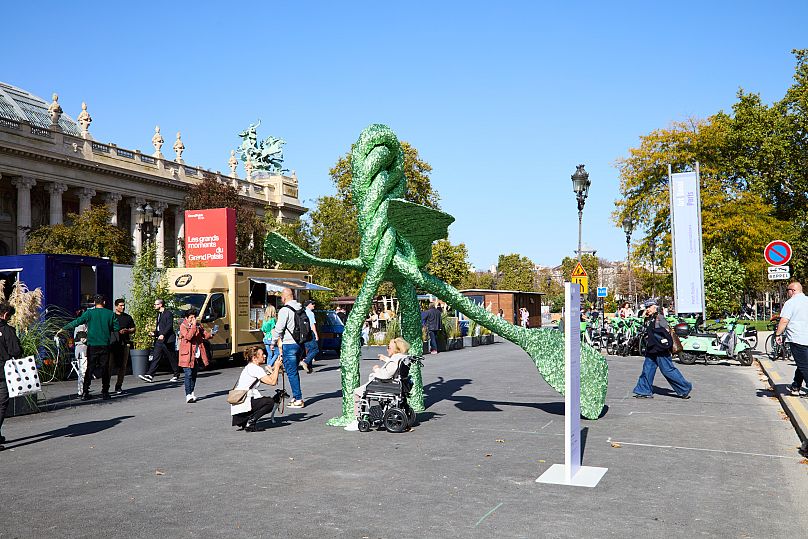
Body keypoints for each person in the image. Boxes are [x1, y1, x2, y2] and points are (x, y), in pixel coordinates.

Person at [345, 337, 410, 431]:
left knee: (357, 392)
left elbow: (386, 375)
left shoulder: (394, 360)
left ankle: (357, 419)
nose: (387, 349)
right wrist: (386, 359)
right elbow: (394, 366)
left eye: (389, 347)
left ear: (395, 349)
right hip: (395, 384)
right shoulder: (402, 357)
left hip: (385, 385)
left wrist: (376, 369)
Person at [62, 295, 119, 401]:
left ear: (94, 303)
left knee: (89, 368)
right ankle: (105, 392)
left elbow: (77, 322)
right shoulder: (110, 314)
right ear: (104, 302)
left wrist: (64, 328)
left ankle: (85, 391)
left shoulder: (89, 313)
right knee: (105, 369)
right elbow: (116, 327)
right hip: (105, 344)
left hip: (92, 345)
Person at [632, 299, 692, 399]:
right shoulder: (648, 318)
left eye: (649, 307)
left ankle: (684, 388)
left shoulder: (659, 318)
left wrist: (665, 344)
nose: (647, 309)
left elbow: (667, 331)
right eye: (646, 307)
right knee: (647, 370)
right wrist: (645, 318)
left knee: (668, 370)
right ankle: (644, 390)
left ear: (654, 307)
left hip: (661, 349)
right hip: (651, 349)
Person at [230, 346, 283, 432]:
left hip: (239, 404)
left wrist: (276, 368)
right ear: (255, 358)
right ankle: (251, 423)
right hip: (244, 402)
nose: (265, 356)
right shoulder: (256, 369)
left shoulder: (250, 367)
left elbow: (271, 380)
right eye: (262, 354)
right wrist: (276, 367)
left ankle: (246, 420)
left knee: (265, 400)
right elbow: (273, 382)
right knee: (270, 402)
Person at [270, 288, 305, 408]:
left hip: (289, 344)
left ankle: (298, 399)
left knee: (291, 373)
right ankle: (296, 396)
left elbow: (279, 328)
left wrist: (273, 341)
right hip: (300, 343)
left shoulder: (285, 310)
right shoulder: (300, 308)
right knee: (294, 372)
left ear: (284, 297)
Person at [776, 282, 808, 397]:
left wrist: (778, 334)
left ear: (793, 291)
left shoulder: (791, 303)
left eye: (788, 290)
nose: (787, 293)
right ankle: (796, 386)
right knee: (802, 363)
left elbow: (784, 320)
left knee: (804, 365)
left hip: (797, 338)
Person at [0, 303, 23, 450]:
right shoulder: (7, 331)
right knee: (1, 404)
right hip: (2, 372)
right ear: (6, 315)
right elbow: (15, 351)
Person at [140, 298, 179, 383]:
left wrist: (163, 334)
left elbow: (169, 326)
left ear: (161, 305)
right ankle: (150, 375)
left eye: (156, 304)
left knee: (171, 357)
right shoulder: (159, 314)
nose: (154, 306)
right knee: (156, 357)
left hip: (167, 339)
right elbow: (160, 327)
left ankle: (176, 373)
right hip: (160, 340)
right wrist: (155, 333)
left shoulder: (168, 314)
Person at [178, 307, 210, 403]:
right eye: (191, 317)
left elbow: (205, 335)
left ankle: (192, 392)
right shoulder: (183, 326)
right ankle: (188, 395)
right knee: (188, 374)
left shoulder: (197, 326)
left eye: (194, 317)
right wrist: (193, 326)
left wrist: (212, 333)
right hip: (186, 355)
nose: (193, 319)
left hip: (196, 354)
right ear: (187, 318)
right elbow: (188, 336)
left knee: (194, 375)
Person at [111, 298, 136, 395]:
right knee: (109, 366)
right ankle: (106, 387)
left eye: (124, 305)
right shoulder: (112, 316)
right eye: (121, 305)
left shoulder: (127, 317)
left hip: (125, 343)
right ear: (116, 306)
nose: (123, 307)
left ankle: (118, 386)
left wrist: (128, 331)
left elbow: (133, 328)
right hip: (113, 344)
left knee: (123, 366)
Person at [72, 310, 88, 397]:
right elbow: (83, 339)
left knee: (83, 370)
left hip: (80, 349)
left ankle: (82, 390)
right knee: (83, 371)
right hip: (82, 349)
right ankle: (81, 391)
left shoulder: (81, 325)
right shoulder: (81, 325)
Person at [300, 299, 319, 374]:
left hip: (304, 333)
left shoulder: (303, 312)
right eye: (312, 304)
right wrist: (316, 334)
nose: (314, 305)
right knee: (315, 349)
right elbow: (312, 325)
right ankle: (305, 362)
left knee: (309, 350)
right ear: (309, 305)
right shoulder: (310, 313)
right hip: (310, 333)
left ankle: (309, 368)